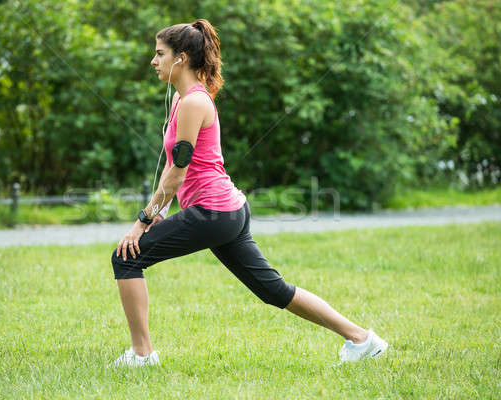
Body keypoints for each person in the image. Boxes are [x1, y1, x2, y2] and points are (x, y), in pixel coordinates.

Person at [109, 19, 387, 368]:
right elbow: (174, 170)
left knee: (126, 258)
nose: (153, 61)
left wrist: (142, 221)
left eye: (159, 54)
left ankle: (142, 355)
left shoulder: (194, 102)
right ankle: (363, 339)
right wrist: (161, 210)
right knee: (274, 291)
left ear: (180, 58)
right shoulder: (185, 101)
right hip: (226, 211)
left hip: (215, 213)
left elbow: (178, 172)